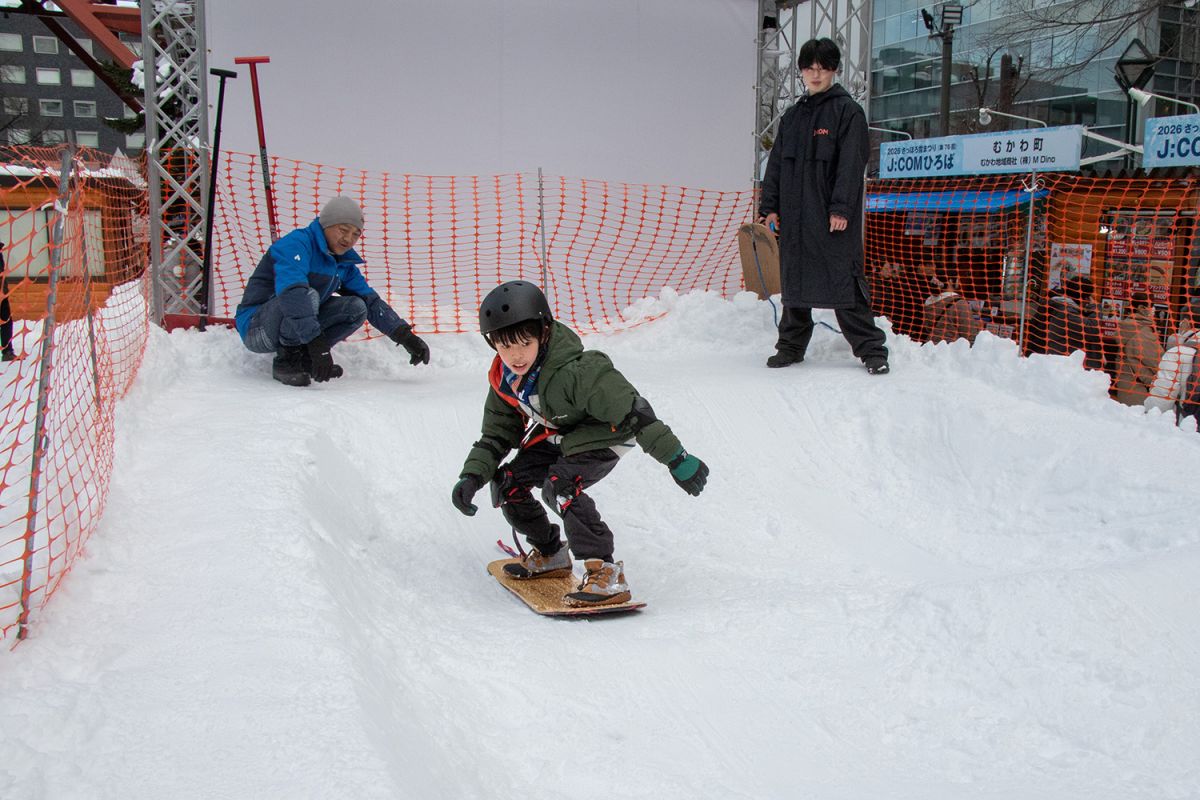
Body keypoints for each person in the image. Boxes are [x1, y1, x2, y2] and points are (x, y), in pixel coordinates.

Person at [450, 280, 709, 607]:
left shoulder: (579, 371)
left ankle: (606, 571)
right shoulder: (506, 379)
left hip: (607, 432)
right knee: (508, 483)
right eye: (504, 346)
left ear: (543, 333)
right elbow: (496, 435)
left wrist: (677, 459)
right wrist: (472, 476)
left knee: (560, 487)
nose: (515, 356)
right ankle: (550, 553)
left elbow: (636, 413)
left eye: (524, 344)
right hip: (563, 435)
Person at [758, 37, 889, 375]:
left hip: (831, 217)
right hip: (795, 216)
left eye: (823, 68)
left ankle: (872, 350)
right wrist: (769, 206)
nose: (815, 74)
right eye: (809, 67)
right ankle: (790, 346)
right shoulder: (793, 117)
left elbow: (851, 165)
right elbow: (775, 167)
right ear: (802, 70)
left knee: (844, 280)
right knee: (795, 283)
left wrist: (842, 209)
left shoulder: (847, 112)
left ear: (833, 70)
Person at [234, 196, 430, 386]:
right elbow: (293, 294)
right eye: (343, 230)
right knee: (306, 295)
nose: (348, 239)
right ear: (326, 225)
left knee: (356, 307)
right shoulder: (297, 244)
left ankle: (304, 358)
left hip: (293, 325)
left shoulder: (342, 263)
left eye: (356, 234)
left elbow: (370, 302)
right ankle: (288, 360)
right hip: (257, 328)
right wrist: (317, 344)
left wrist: (405, 337)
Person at [1025, 275, 1104, 370]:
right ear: (1085, 298)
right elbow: (1091, 329)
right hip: (1058, 366)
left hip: (1049, 361)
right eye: (1088, 297)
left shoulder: (1059, 305)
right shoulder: (1065, 311)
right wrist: (1095, 308)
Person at [1144, 298, 1200, 429]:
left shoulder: (1178, 353)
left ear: (1185, 322)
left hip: (1188, 429)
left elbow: (1160, 402)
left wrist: (1147, 417)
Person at [1113, 291, 1162, 406]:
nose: (1154, 310)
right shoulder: (1142, 331)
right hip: (1139, 392)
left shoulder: (1128, 326)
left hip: (1127, 386)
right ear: (1141, 308)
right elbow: (1159, 362)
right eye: (1152, 306)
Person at [920, 262, 983, 345]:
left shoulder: (928, 303)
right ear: (950, 281)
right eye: (957, 279)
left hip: (930, 348)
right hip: (950, 352)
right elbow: (969, 336)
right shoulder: (959, 304)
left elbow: (928, 328)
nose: (958, 281)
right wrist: (978, 327)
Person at [0, 242, 13, 362]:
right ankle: (7, 351)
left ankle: (8, 351)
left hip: (2, 293)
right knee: (6, 321)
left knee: (6, 320)